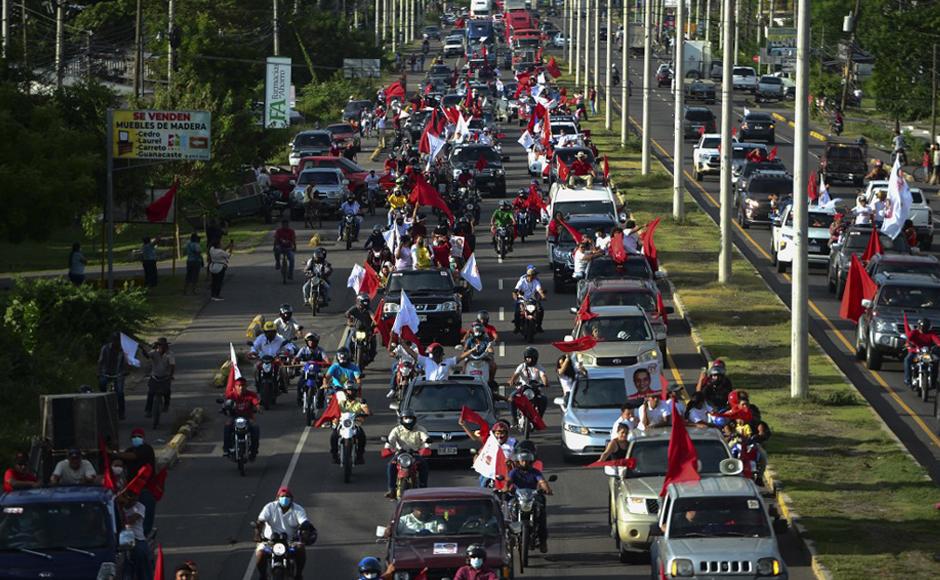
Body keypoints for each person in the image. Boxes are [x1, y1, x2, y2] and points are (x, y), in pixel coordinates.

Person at [254, 487, 316, 580]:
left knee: (301, 549)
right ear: (278, 497)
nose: (285, 499)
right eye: (282, 496)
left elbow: (304, 522)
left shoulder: (298, 509)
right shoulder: (269, 507)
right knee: (260, 554)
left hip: (290, 541)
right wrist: (257, 534)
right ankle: (263, 576)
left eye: (287, 496)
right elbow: (260, 521)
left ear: (291, 498)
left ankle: (298, 575)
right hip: (270, 541)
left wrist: (305, 531)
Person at [507, 449, 552, 552]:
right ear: (518, 461)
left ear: (531, 462)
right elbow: (508, 481)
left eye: (527, 461)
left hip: (532, 497)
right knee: (510, 507)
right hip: (518, 497)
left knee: (541, 514)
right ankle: (511, 537)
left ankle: (543, 541)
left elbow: (541, 481)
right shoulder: (514, 472)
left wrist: (547, 489)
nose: (524, 463)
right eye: (522, 460)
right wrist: (505, 488)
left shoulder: (535, 472)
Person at [383, 413, 430, 499]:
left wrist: (427, 441)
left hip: (415, 454)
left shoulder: (420, 429)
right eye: (406, 418)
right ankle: (391, 489)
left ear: (414, 419)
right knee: (390, 465)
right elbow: (391, 440)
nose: (408, 420)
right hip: (400, 454)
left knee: (424, 464)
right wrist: (388, 447)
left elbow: (425, 438)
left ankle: (423, 488)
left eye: (410, 418)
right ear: (401, 419)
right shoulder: (396, 430)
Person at [329, 382, 371, 464]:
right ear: (345, 391)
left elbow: (366, 410)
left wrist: (365, 413)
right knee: (333, 436)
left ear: (356, 391)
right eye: (348, 390)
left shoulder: (360, 401)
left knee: (362, 436)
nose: (350, 392)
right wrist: (333, 417)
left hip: (355, 424)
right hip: (342, 424)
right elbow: (334, 409)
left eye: (352, 390)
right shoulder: (340, 401)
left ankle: (359, 456)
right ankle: (334, 455)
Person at [222, 378, 261, 460]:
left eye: (243, 385)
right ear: (235, 386)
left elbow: (256, 402)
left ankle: (254, 449)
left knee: (255, 428)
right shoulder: (231, 395)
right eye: (239, 386)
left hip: (248, 417)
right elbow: (225, 402)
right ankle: (226, 449)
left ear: (246, 386)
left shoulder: (251, 395)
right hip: (234, 417)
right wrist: (224, 408)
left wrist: (258, 407)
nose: (241, 387)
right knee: (227, 426)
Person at [119, 489, 152, 579]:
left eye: (135, 496)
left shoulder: (140, 507)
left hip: (137, 540)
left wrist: (120, 511)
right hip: (121, 541)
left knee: (142, 558)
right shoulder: (118, 507)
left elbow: (129, 521)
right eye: (130, 496)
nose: (133, 499)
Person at [98, 331, 129, 419]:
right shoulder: (105, 348)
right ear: (112, 340)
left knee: (120, 393)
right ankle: (103, 406)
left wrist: (126, 370)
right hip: (106, 372)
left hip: (118, 373)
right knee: (102, 384)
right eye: (114, 340)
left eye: (118, 340)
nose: (116, 342)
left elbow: (127, 362)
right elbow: (100, 361)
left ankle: (121, 412)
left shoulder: (123, 349)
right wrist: (99, 372)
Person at [142, 337, 175, 418]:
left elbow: (172, 365)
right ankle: (148, 410)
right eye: (159, 345)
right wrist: (142, 349)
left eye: (163, 345)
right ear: (157, 346)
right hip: (155, 376)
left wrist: (171, 375)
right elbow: (147, 356)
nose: (161, 347)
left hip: (165, 376)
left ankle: (166, 405)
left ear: (166, 346)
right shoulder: (153, 353)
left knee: (167, 391)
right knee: (150, 393)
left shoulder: (169, 354)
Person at [904, 318, 940, 388]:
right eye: (922, 327)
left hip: (926, 354)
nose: (923, 329)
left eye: (925, 327)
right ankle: (907, 380)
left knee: (935, 361)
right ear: (919, 326)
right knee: (907, 360)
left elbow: (937, 340)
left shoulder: (931, 334)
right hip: (915, 353)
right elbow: (909, 339)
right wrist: (908, 344)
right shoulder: (914, 332)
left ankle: (933, 381)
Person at [512, 265, 546, 333]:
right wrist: (516, 297)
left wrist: (543, 296)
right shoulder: (522, 281)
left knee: (540, 310)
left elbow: (539, 290)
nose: (534, 277)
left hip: (533, 300)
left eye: (535, 275)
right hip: (522, 300)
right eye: (533, 275)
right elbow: (515, 290)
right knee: (517, 312)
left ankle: (539, 326)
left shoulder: (536, 282)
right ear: (529, 275)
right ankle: (517, 327)